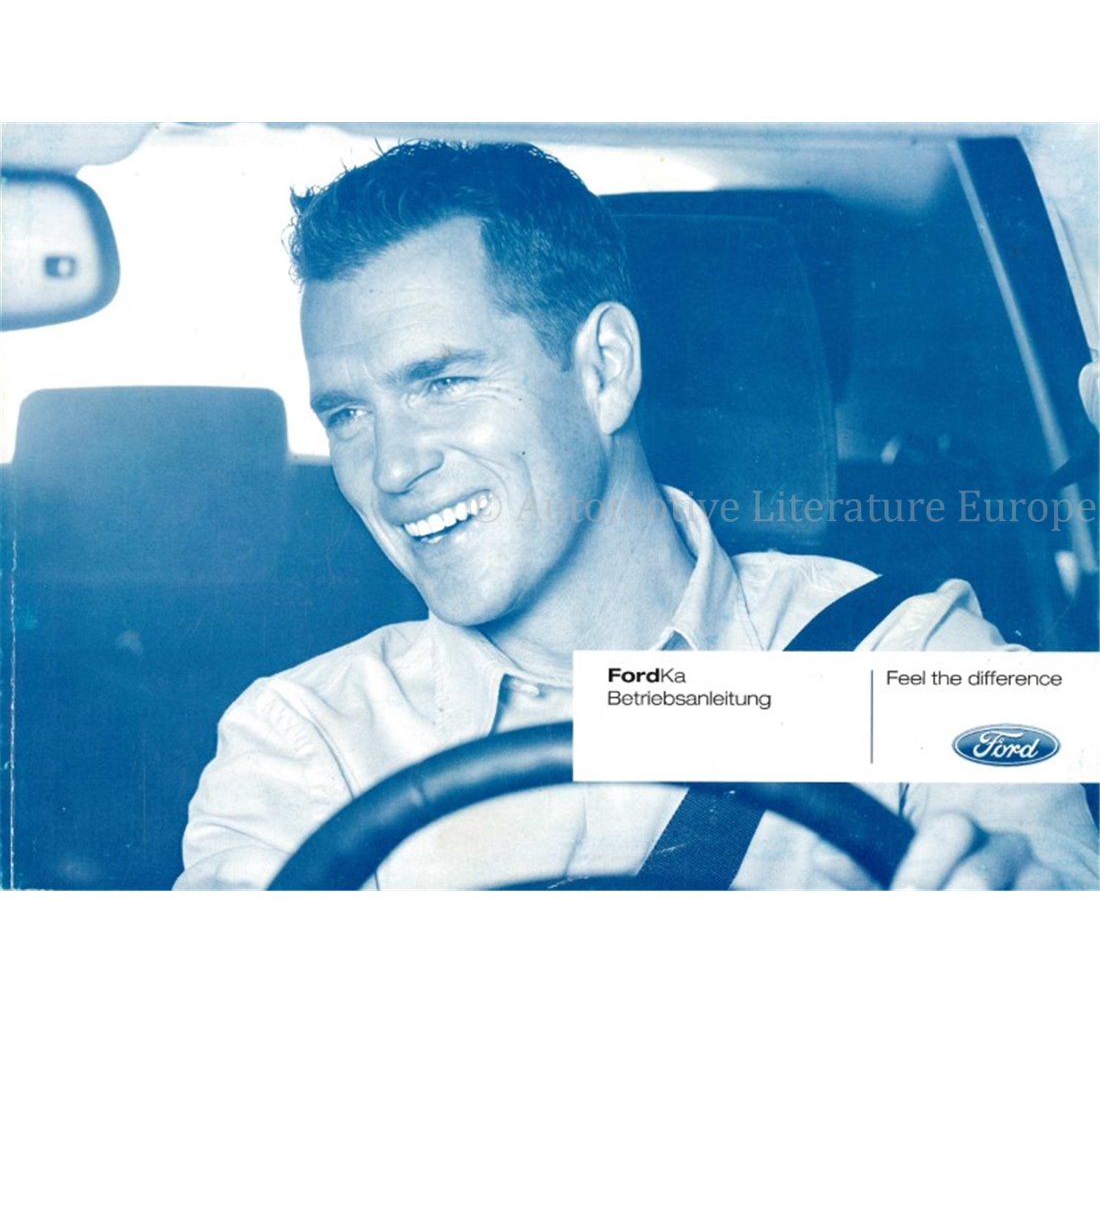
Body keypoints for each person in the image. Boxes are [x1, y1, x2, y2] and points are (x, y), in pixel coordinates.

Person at [175, 141, 1099, 890]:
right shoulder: (303, 739)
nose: (390, 468)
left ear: (605, 369)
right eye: (347, 415)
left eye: (444, 383)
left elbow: (1048, 882)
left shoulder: (914, 656)